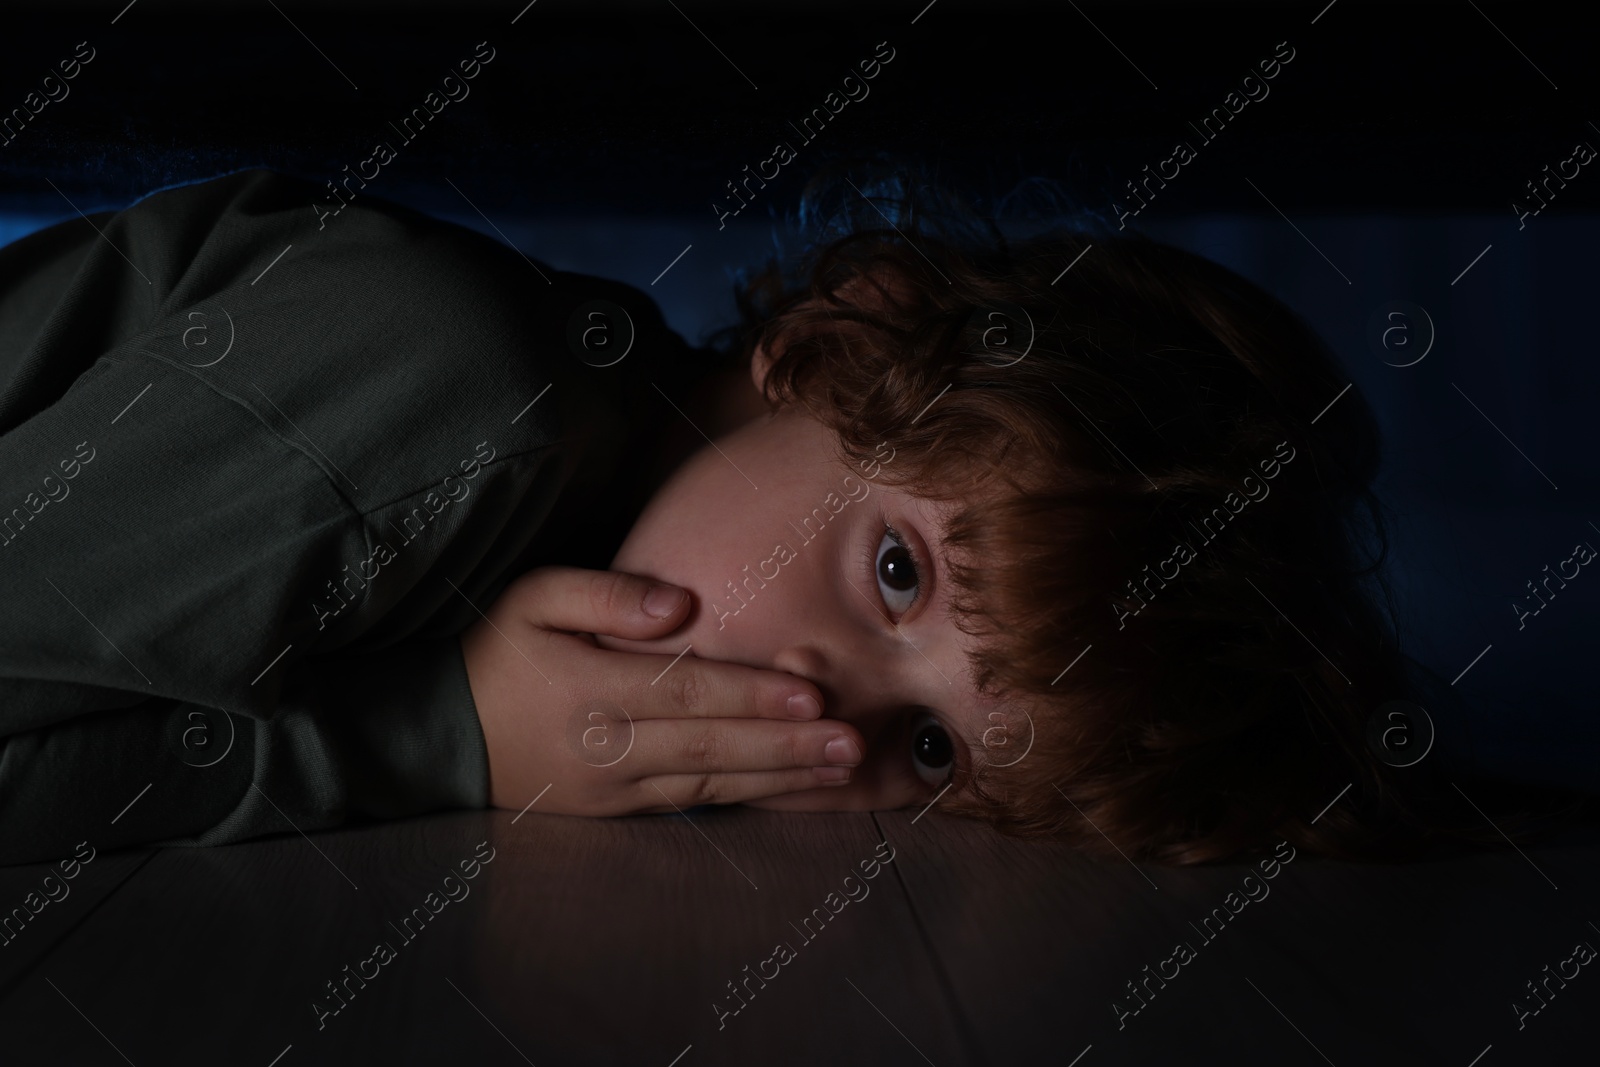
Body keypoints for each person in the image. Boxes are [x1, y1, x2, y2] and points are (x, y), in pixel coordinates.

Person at [0, 165, 1571, 869]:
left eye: (934, 752)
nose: (824, 712)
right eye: (895, 571)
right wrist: (440, 736)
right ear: (843, 338)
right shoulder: (450, 399)